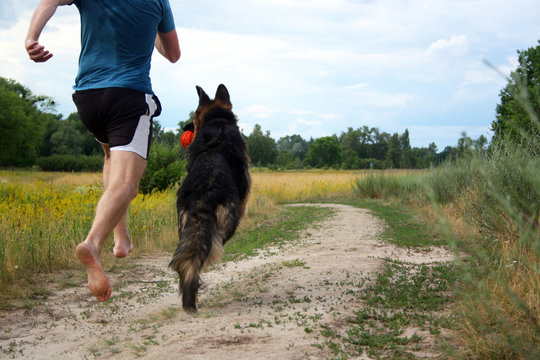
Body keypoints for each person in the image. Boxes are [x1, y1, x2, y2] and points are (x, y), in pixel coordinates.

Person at [25, 0, 180, 302]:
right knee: (126, 182)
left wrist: (32, 38)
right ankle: (93, 244)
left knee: (111, 156)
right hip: (129, 95)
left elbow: (50, 1)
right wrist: (153, 29)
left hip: (88, 97)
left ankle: (121, 239)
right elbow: (173, 54)